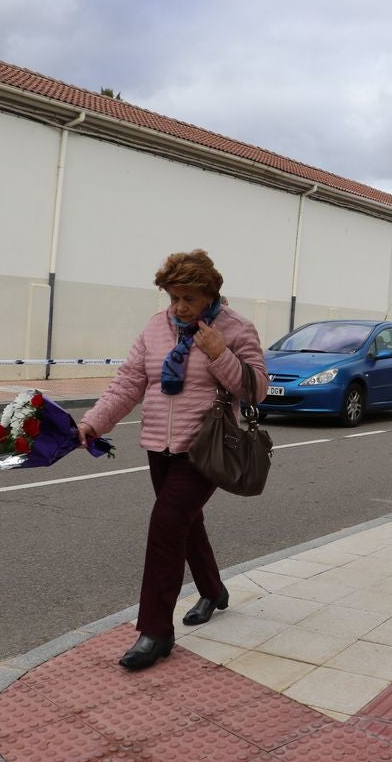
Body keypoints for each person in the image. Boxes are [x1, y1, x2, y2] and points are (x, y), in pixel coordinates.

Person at [77, 250, 267, 670]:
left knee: (165, 528)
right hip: (159, 449)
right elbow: (129, 381)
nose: (179, 307)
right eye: (173, 297)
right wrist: (94, 423)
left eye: (189, 299)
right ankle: (214, 590)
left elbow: (257, 389)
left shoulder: (236, 329)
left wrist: (220, 353)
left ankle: (156, 632)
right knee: (186, 523)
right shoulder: (156, 327)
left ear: (211, 294)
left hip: (204, 449)